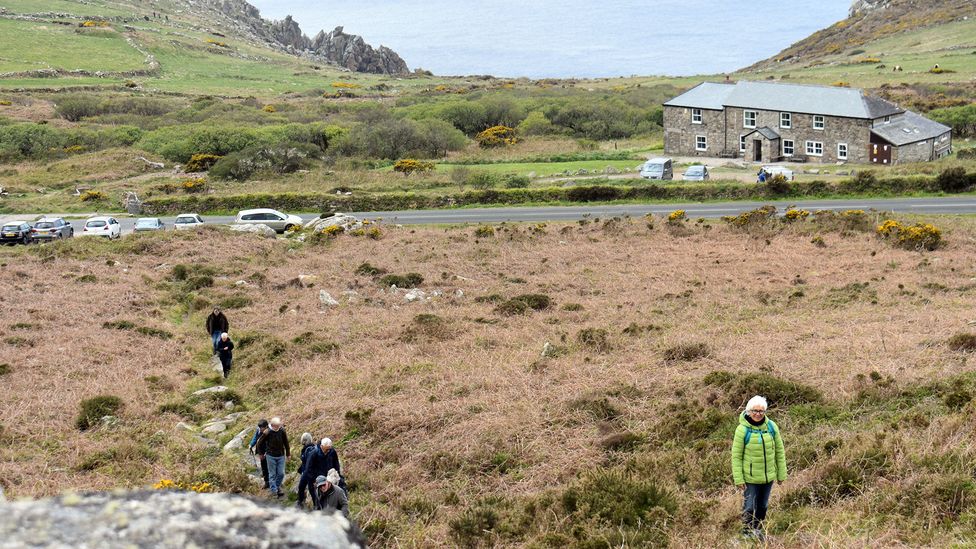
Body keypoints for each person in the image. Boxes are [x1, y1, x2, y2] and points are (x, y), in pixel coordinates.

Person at [731, 395, 787, 541]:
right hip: (749, 478)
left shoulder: (771, 427)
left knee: (762, 507)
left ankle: (756, 530)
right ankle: (746, 533)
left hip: (768, 476)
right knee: (749, 507)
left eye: (761, 411)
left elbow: (779, 452)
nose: (758, 414)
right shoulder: (742, 430)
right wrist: (739, 479)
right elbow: (736, 456)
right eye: (755, 411)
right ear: (749, 411)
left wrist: (781, 474)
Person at [299, 438, 346, 502]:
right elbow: (308, 469)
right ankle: (302, 501)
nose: (328, 451)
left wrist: (336, 473)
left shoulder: (332, 451)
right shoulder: (314, 453)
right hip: (314, 474)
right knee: (305, 486)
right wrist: (313, 480)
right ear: (321, 446)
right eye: (327, 449)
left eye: (329, 449)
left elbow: (336, 463)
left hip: (325, 473)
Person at [256, 417, 290, 498]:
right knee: (272, 474)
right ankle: (274, 491)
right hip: (270, 456)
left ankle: (277, 486)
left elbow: (286, 443)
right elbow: (259, 443)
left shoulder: (282, 431)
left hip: (281, 455)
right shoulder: (267, 432)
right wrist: (261, 453)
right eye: (276, 426)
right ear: (272, 425)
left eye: (279, 425)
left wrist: (288, 454)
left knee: (281, 474)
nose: (278, 427)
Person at [295, 432, 318, 508]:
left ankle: (315, 505)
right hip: (308, 471)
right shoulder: (311, 448)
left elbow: (308, 462)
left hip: (308, 472)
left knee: (309, 489)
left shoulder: (308, 450)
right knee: (303, 487)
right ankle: (301, 502)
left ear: (304, 440)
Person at [248, 419, 270, 489]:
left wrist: (267, 452)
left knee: (270, 467)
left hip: (269, 452)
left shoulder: (271, 432)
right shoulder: (258, 430)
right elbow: (255, 438)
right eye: (259, 428)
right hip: (261, 451)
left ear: (266, 427)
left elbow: (271, 444)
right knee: (264, 467)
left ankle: (274, 483)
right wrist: (251, 444)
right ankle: (266, 482)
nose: (260, 429)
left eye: (262, 428)